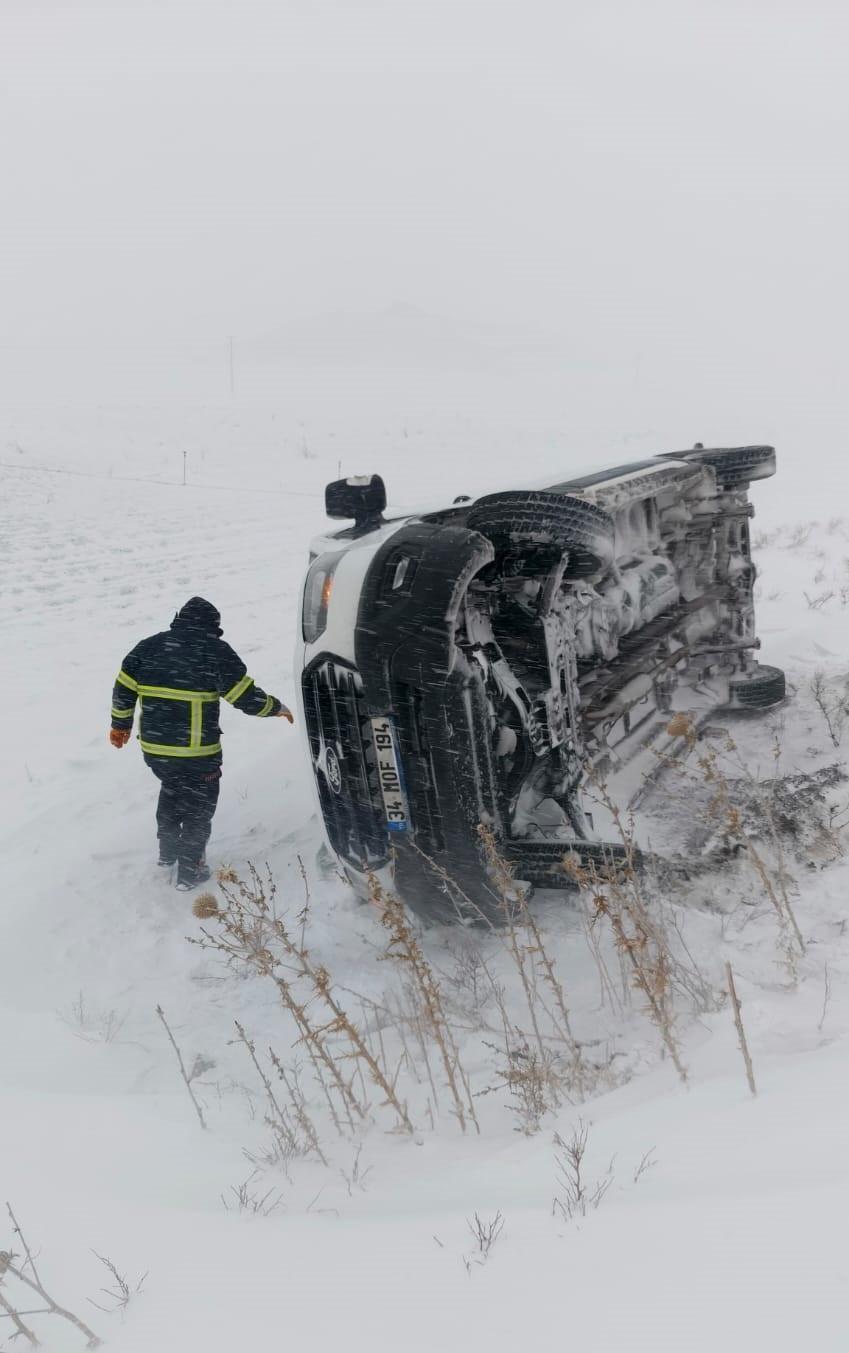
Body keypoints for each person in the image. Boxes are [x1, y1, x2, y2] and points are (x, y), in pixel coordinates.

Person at [109, 596, 292, 890]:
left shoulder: (148, 647)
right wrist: (276, 708)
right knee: (198, 808)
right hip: (197, 754)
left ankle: (167, 854)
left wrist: (120, 725)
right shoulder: (215, 651)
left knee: (171, 791)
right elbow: (244, 697)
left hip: (156, 751)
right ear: (213, 626)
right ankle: (190, 871)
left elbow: (123, 690)